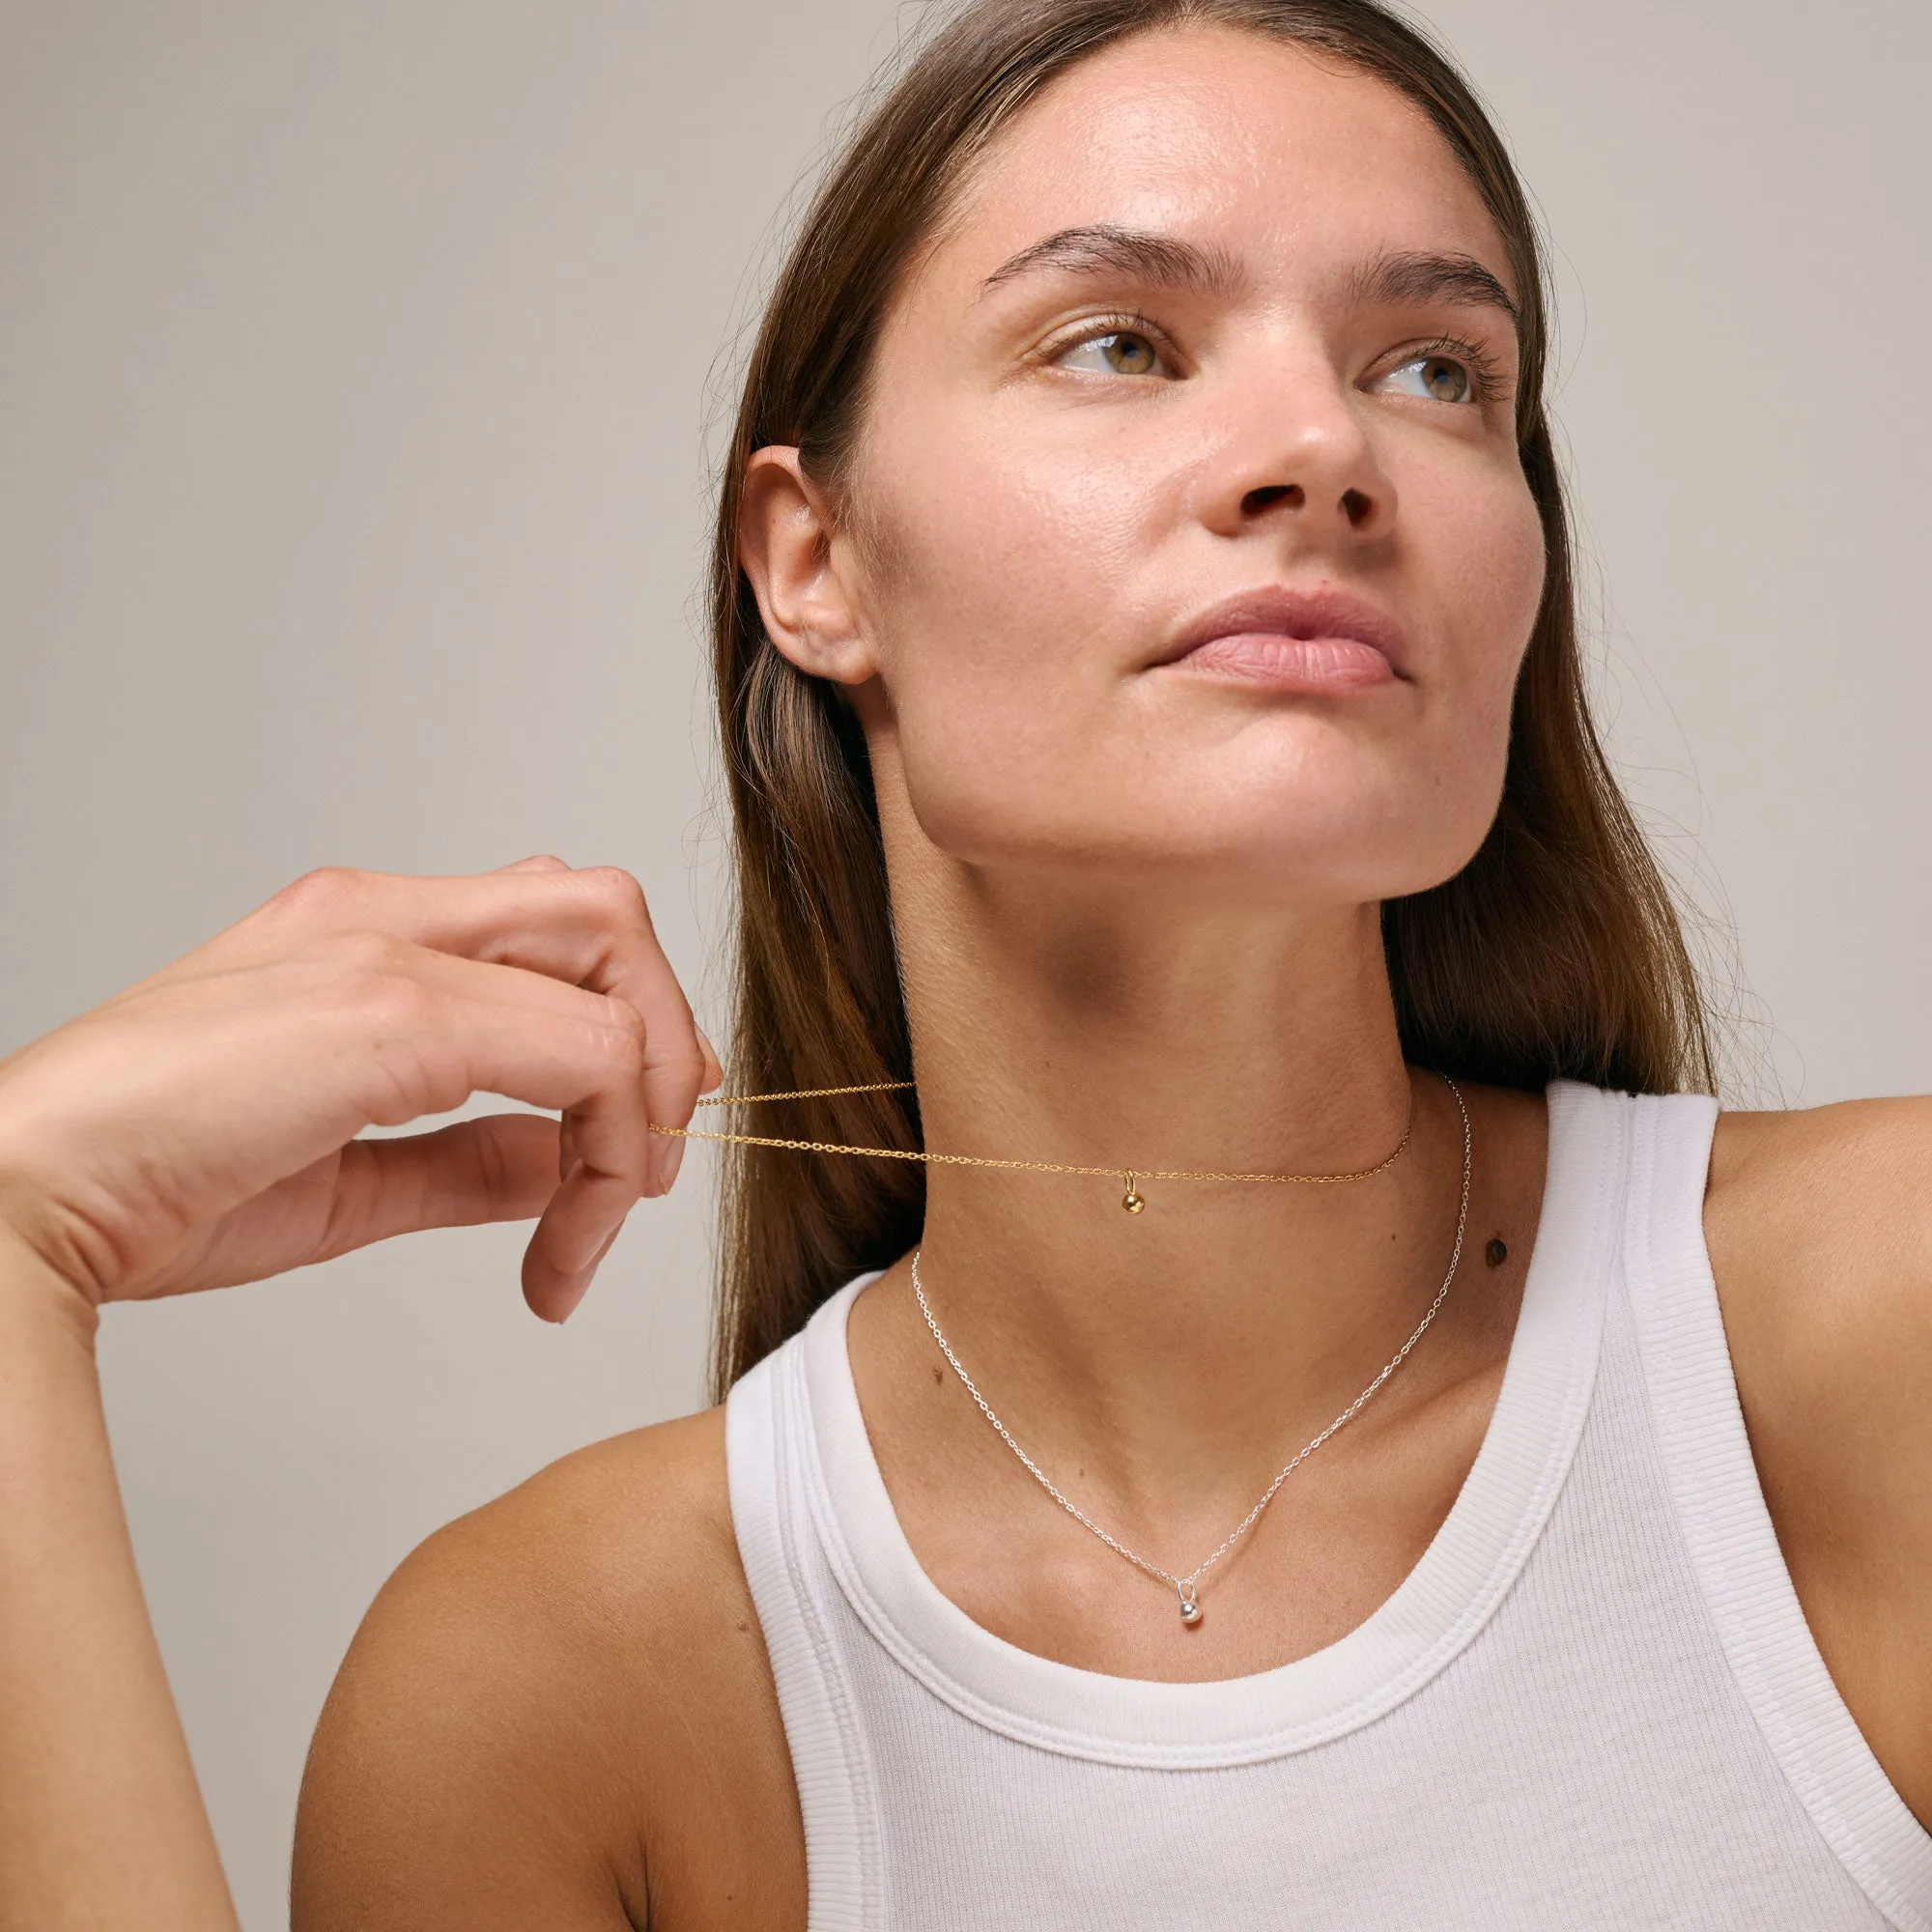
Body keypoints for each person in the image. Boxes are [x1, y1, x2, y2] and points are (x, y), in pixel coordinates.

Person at [0, 0, 1926, 1924]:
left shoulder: (1872, 1329)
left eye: (1435, 368)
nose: (1324, 450)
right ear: (811, 562)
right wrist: (11, 1258)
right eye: (1120, 343)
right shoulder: (560, 1686)